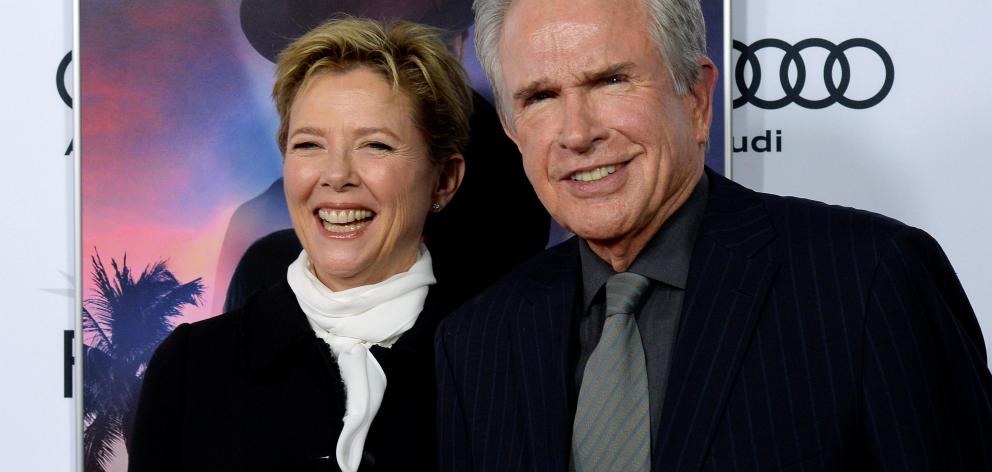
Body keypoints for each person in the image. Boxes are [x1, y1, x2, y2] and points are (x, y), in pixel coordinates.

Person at [435, 0, 992, 470]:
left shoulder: (870, 280)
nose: (577, 133)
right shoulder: (477, 340)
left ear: (698, 100)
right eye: (540, 97)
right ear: (512, 131)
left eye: (610, 81)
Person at [130, 18, 473, 471]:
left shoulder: (494, 361)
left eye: (375, 145)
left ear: (444, 180)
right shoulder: (190, 367)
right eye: (309, 145)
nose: (336, 175)